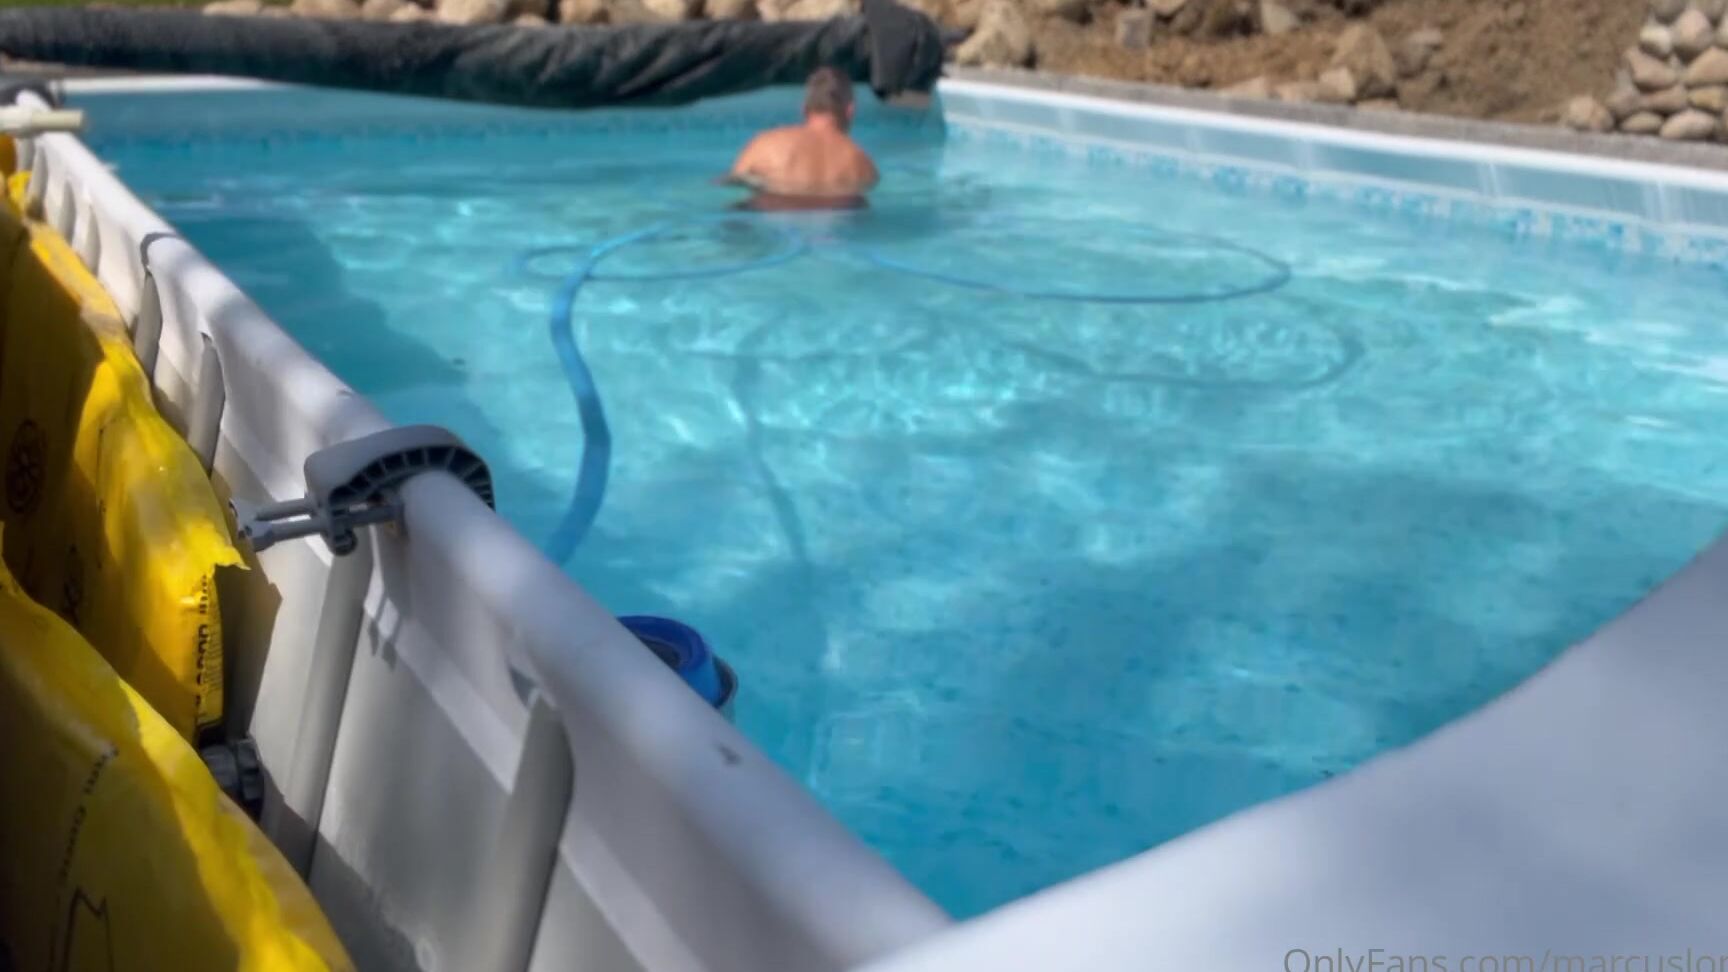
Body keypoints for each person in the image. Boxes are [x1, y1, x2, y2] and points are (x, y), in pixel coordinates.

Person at [719, 67, 880, 211]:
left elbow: (731, 181)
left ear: (804, 109)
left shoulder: (765, 144)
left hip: (773, 216)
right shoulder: (863, 163)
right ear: (850, 111)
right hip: (833, 229)